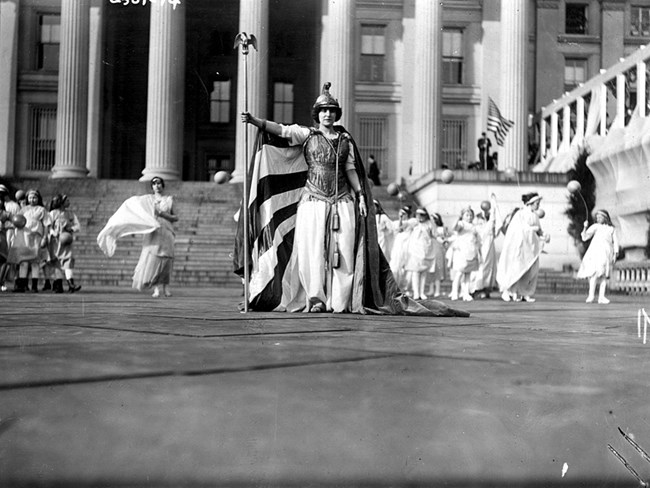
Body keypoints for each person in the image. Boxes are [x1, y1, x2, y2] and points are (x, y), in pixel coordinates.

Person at [236, 82, 468, 317]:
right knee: (312, 251)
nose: (328, 114)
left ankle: (341, 299)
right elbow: (282, 130)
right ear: (317, 115)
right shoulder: (307, 134)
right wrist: (256, 121)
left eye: (331, 110)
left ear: (336, 114)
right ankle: (316, 298)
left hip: (342, 202)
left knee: (344, 252)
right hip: (313, 202)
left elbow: (351, 171)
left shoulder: (345, 139)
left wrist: (360, 196)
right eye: (324, 110)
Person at [97, 176, 178, 298]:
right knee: (154, 259)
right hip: (153, 231)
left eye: (159, 183)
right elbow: (135, 207)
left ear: (163, 185)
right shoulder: (148, 200)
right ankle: (156, 288)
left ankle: (166, 287)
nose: (157, 185)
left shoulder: (169, 200)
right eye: (154, 183)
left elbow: (175, 217)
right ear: (152, 186)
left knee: (167, 259)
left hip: (166, 231)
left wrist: (162, 214)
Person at [496, 192, 550, 302]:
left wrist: (544, 235)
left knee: (530, 271)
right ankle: (508, 291)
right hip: (520, 247)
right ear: (530, 203)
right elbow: (516, 230)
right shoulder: (520, 214)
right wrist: (531, 229)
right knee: (515, 269)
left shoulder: (534, 215)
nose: (538, 205)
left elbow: (539, 230)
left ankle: (525, 293)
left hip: (531, 248)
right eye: (536, 203)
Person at [7, 189, 51, 293]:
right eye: (30, 197)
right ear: (27, 199)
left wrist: (45, 237)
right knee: (23, 262)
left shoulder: (42, 210)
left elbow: (46, 225)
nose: (32, 199)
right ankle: (21, 285)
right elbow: (17, 221)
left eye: (34, 197)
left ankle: (34, 286)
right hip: (24, 237)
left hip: (36, 238)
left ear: (38, 198)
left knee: (35, 263)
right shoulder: (23, 210)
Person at [576, 209, 619, 304]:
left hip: (606, 252)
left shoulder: (611, 229)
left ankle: (601, 297)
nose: (598, 219)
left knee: (604, 275)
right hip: (596, 252)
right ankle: (591, 295)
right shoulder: (596, 226)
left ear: (605, 218)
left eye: (600, 217)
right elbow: (585, 237)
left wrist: (616, 253)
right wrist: (584, 227)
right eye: (597, 217)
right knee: (594, 274)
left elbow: (615, 242)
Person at [48, 194, 82, 293]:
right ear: (61, 202)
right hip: (55, 241)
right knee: (57, 262)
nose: (69, 202)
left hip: (67, 242)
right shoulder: (53, 213)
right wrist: (53, 232)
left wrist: (71, 228)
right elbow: (48, 226)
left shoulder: (71, 214)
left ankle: (71, 283)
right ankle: (58, 285)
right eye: (67, 200)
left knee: (68, 261)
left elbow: (77, 225)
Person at [446, 207, 481, 301]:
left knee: (468, 274)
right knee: (459, 273)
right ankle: (454, 292)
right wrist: (458, 219)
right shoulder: (461, 224)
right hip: (462, 251)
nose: (469, 217)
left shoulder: (474, 226)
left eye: (470, 215)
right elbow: (455, 227)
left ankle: (466, 293)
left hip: (471, 251)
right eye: (467, 215)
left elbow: (477, 239)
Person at [404, 208, 434, 300]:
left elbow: (434, 234)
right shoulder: (414, 222)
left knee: (423, 272)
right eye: (418, 214)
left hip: (425, 250)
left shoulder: (429, 224)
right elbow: (405, 225)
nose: (420, 217)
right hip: (415, 250)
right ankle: (416, 292)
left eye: (422, 215)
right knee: (415, 272)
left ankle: (422, 292)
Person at [471, 196, 498, 298]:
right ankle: (476, 288)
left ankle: (487, 288)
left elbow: (494, 229)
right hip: (481, 244)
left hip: (489, 244)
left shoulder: (491, 219)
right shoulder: (478, 220)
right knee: (480, 266)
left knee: (489, 266)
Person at [426, 212, 447, 298]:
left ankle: (437, 290)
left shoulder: (442, 229)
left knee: (438, 270)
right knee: (431, 270)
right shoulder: (428, 228)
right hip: (431, 249)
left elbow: (443, 238)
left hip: (438, 250)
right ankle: (431, 289)